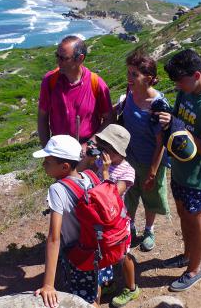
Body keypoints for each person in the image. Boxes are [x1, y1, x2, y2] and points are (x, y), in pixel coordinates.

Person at [158, 49, 201, 292]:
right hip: (178, 168)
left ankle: (194, 269)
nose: (176, 85)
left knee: (194, 219)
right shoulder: (184, 93)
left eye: (180, 80)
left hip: (197, 174)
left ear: (196, 75)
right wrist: (170, 121)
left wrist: (179, 127)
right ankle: (187, 255)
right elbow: (179, 122)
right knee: (182, 213)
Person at [33, 134, 107, 307]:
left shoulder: (57, 189)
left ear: (64, 166)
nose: (43, 164)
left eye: (47, 161)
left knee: (84, 301)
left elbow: (54, 237)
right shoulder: (90, 176)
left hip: (80, 255)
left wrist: (49, 284)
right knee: (95, 287)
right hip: (100, 248)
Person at [82, 124, 141, 308]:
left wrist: (106, 172)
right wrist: (89, 157)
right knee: (103, 251)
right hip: (99, 216)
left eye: (107, 148)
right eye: (102, 147)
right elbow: (82, 170)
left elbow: (113, 195)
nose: (103, 152)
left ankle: (131, 288)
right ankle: (108, 282)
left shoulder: (128, 171)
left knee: (122, 255)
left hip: (116, 219)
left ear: (118, 151)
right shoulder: (101, 160)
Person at [119, 51, 170, 252]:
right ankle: (129, 226)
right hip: (129, 158)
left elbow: (161, 143)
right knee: (129, 196)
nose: (129, 78)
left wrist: (152, 172)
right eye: (128, 73)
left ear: (148, 78)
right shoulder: (130, 93)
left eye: (134, 74)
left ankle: (149, 230)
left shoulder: (158, 105)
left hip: (151, 161)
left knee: (150, 198)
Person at [37, 35, 112, 148]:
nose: (58, 61)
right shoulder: (50, 80)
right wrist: (47, 150)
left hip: (86, 151)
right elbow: (42, 116)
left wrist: (89, 144)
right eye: (57, 56)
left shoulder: (96, 83)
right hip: (58, 148)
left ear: (80, 59)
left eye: (64, 58)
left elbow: (109, 119)